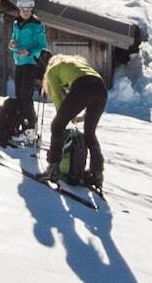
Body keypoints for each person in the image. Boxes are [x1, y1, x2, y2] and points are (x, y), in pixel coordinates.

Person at [42, 53, 106, 189]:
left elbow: (57, 97)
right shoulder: (78, 65)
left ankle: (53, 167)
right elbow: (90, 91)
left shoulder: (53, 70)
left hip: (83, 87)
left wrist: (62, 117)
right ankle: (97, 173)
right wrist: (79, 115)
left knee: (57, 126)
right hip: (101, 89)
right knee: (90, 133)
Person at [9, 0, 48, 137]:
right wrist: (12, 45)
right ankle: (20, 126)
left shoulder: (37, 25)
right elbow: (13, 40)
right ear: (18, 10)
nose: (25, 12)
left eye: (28, 10)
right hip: (19, 63)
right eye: (23, 9)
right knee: (19, 96)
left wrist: (29, 52)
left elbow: (42, 46)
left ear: (32, 10)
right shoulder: (16, 24)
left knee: (26, 97)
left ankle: (30, 127)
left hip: (31, 64)